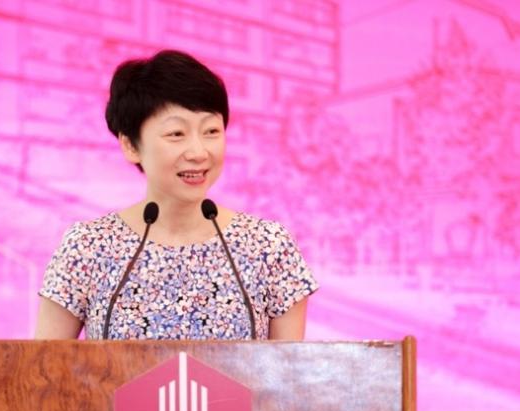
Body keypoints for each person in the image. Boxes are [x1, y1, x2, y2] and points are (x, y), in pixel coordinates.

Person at [35, 50, 318, 341]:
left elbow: (288, 368)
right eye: (176, 134)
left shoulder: (268, 247)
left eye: (211, 131)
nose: (198, 152)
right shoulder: (87, 248)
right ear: (131, 145)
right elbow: (43, 365)